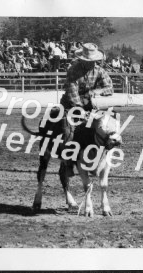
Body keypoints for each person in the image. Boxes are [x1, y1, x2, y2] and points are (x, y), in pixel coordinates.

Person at [59, 43, 113, 176]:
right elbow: (72, 92)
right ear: (82, 60)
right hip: (70, 104)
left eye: (94, 61)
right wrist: (80, 110)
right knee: (68, 131)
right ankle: (68, 163)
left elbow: (109, 88)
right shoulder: (73, 70)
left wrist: (96, 91)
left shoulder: (99, 70)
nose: (92, 63)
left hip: (89, 104)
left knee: (105, 126)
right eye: (90, 61)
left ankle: (101, 158)